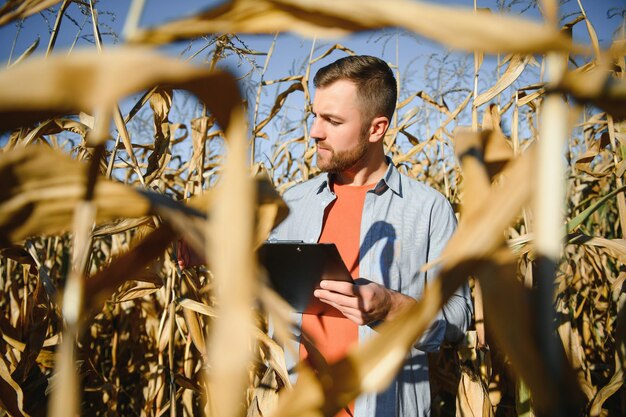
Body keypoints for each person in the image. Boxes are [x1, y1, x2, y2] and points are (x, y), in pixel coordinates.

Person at [268, 55, 473, 417]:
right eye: (315, 116)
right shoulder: (292, 205)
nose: (315, 131)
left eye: (332, 121)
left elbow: (457, 319)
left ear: (376, 128)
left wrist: (392, 306)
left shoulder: (428, 210)